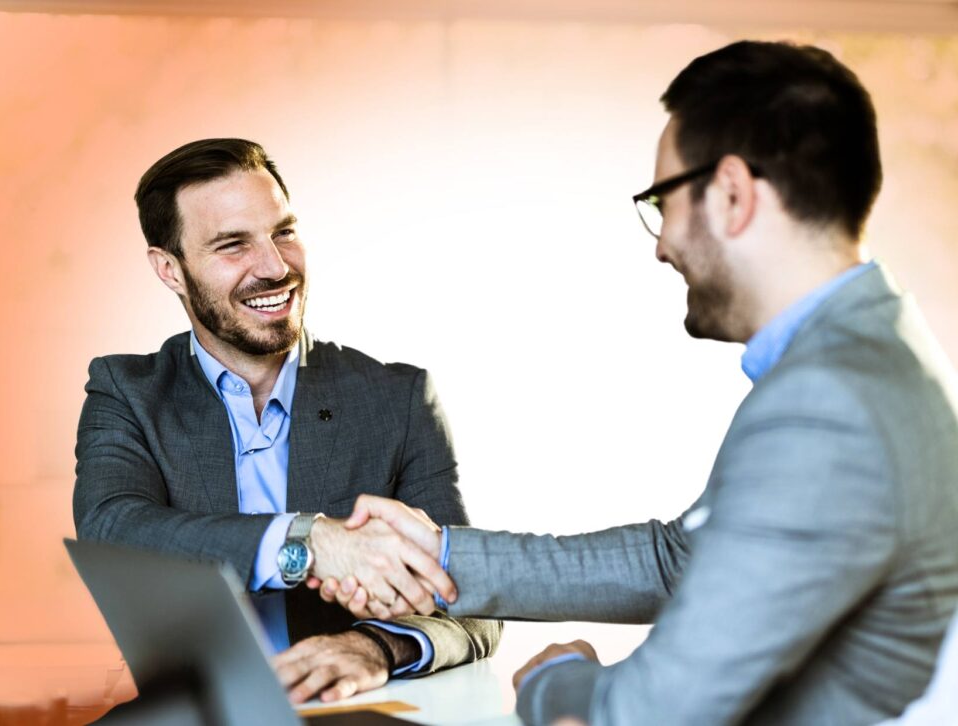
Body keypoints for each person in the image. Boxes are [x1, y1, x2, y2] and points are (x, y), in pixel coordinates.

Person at [315, 41, 958, 724]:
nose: (660, 243)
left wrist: (555, 677)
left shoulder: (823, 404)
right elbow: (678, 558)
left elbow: (650, 713)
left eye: (664, 200)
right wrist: (438, 554)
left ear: (733, 194)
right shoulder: (874, 353)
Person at [72, 138, 500, 706]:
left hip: (350, 714)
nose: (275, 267)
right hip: (192, 711)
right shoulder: (127, 392)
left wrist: (376, 647)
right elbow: (113, 531)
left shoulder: (398, 399)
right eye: (233, 245)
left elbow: (472, 602)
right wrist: (308, 542)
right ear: (170, 270)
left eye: (284, 232)